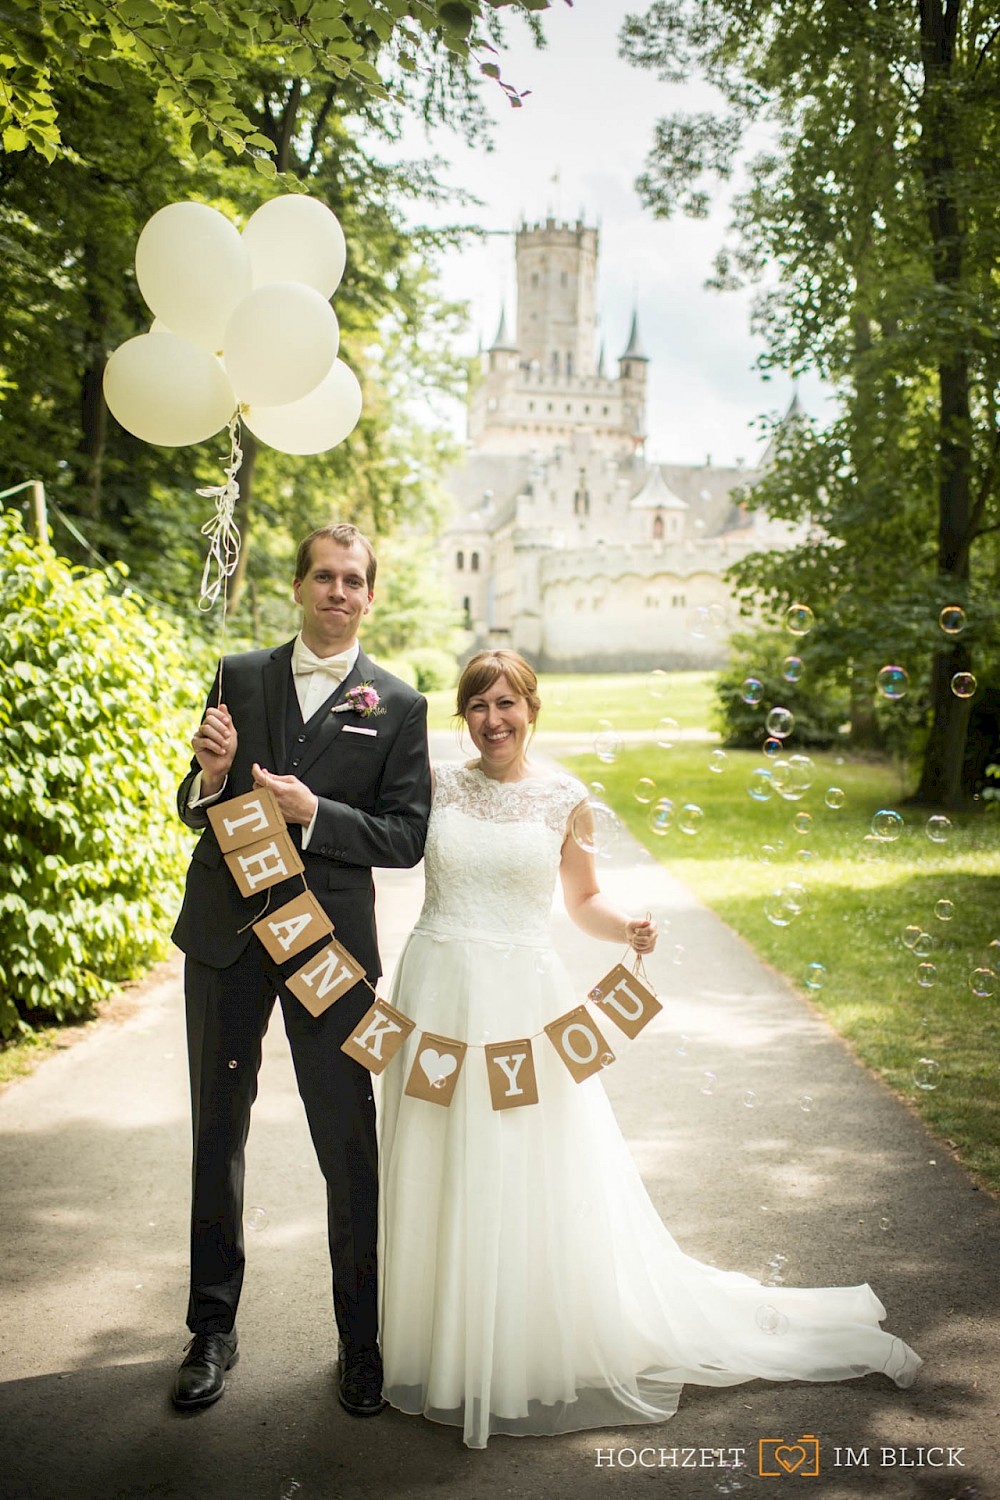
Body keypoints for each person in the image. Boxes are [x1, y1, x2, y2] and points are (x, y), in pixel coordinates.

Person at [377, 648, 921, 1449]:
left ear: (533, 708)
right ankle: (439, 1345)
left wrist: (626, 924)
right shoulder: (436, 783)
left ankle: (519, 1345)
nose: (494, 720)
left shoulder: (566, 798)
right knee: (437, 1161)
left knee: (522, 1165)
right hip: (434, 992)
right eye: (479, 706)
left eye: (508, 704)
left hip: (522, 1006)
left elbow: (584, 899)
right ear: (463, 715)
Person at [170, 523, 431, 1417]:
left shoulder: (398, 705)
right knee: (218, 1134)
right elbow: (191, 802)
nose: (338, 591)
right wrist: (208, 779)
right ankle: (211, 1330)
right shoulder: (239, 674)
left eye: (354, 579)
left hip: (327, 948)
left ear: (371, 595)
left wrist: (317, 811)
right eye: (324, 576)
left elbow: (405, 837)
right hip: (228, 935)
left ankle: (360, 1345)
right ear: (299, 585)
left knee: (347, 1146)